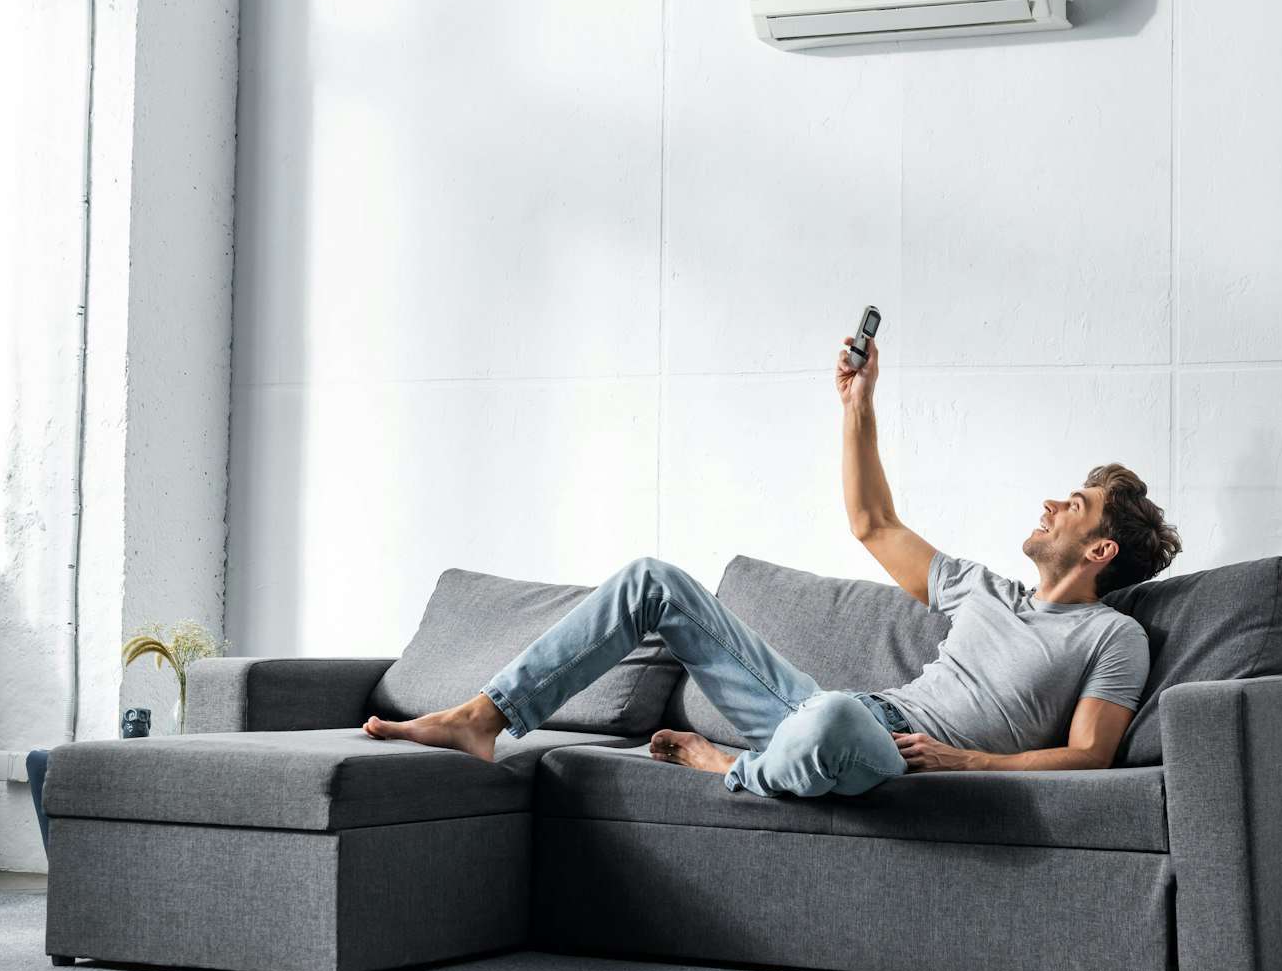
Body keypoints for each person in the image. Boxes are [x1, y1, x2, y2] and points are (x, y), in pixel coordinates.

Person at [363, 330, 1182, 798]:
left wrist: (974, 760)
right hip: (844, 709)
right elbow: (873, 521)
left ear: (1100, 550)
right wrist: (858, 407)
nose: (1052, 504)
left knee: (831, 725)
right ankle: (485, 715)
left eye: (1074, 505)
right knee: (655, 582)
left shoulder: (1112, 637)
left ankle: (735, 769)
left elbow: (1091, 756)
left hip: (895, 754)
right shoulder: (985, 589)